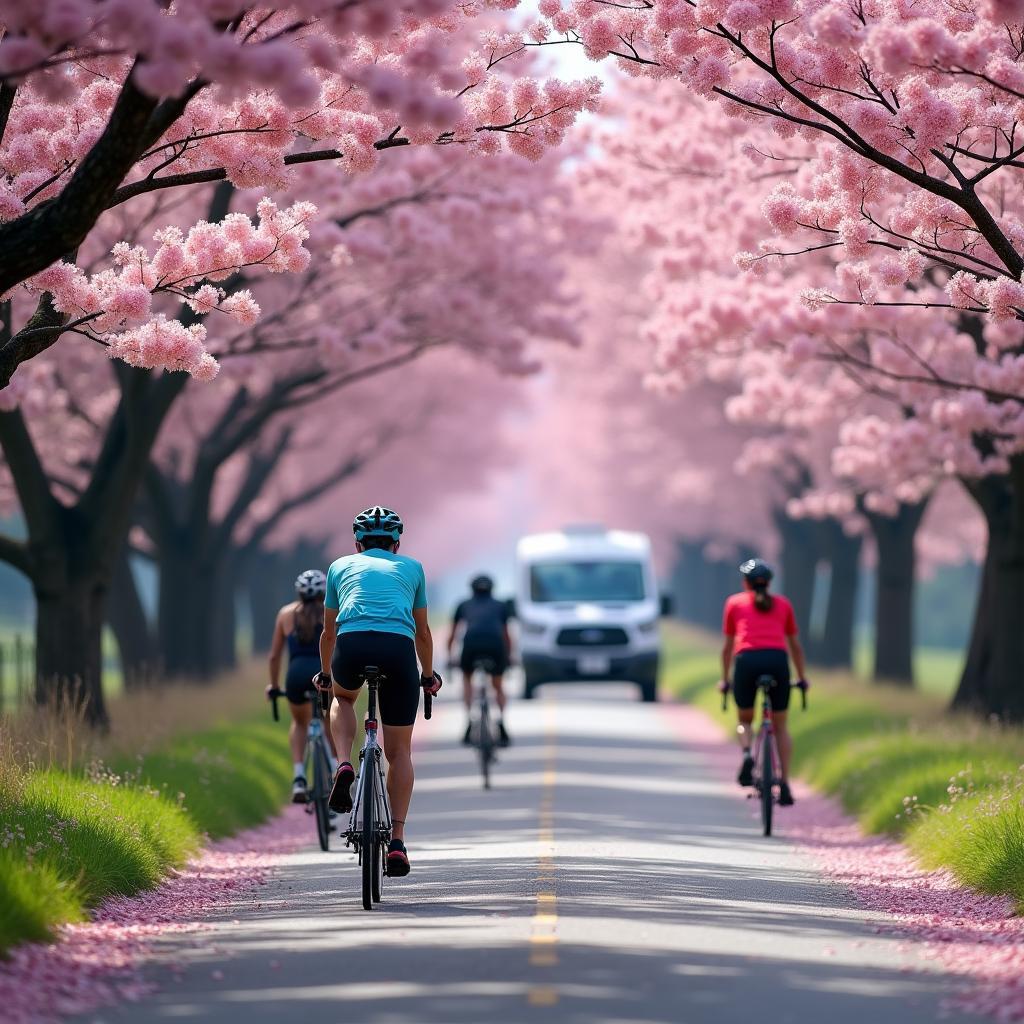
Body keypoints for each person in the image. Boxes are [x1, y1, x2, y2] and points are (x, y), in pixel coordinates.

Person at [318, 505, 441, 878]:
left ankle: (343, 762)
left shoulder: (338, 567)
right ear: (397, 544)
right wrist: (429, 675)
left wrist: (325, 674)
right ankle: (398, 841)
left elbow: (328, 632)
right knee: (399, 750)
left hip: (352, 645)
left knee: (343, 697)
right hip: (397, 650)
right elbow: (422, 632)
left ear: (357, 544)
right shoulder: (413, 568)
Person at [719, 558, 808, 807]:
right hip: (778, 662)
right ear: (770, 583)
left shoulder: (734, 603)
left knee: (745, 720)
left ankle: (748, 754)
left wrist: (725, 680)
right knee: (780, 727)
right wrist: (801, 678)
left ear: (744, 582)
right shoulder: (783, 604)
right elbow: (796, 647)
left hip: (746, 662)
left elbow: (727, 648)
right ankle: (785, 782)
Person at [268, 569, 338, 804]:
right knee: (329, 718)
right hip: (323, 674)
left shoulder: (285, 614)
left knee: (299, 723)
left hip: (295, 676)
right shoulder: (332, 612)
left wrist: (274, 685)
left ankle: (299, 776)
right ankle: (337, 769)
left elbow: (274, 657)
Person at [448, 574, 513, 746]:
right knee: (498, 686)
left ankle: (469, 721)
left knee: (467, 680)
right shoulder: (501, 605)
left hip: (471, 646)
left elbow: (453, 635)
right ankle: (501, 723)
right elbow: (506, 635)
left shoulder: (463, 605)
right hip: (495, 646)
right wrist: (509, 656)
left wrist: (450, 657)